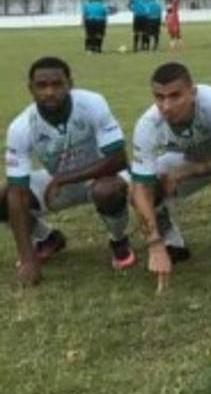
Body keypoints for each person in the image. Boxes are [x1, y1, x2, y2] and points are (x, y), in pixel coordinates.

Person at [130, 62, 211, 291]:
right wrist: (154, 245)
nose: (166, 105)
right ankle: (172, 244)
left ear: (192, 92)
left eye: (175, 96)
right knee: (140, 189)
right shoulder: (148, 124)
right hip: (193, 155)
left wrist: (181, 173)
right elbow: (141, 188)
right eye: (159, 97)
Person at [3, 57, 134, 286]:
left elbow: (118, 159)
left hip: (103, 175)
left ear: (69, 84)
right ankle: (48, 239)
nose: (50, 92)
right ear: (30, 89)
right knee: (4, 196)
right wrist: (27, 259)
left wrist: (64, 179)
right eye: (41, 86)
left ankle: (119, 240)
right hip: (58, 181)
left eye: (57, 84)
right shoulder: (21, 126)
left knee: (107, 191)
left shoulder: (92, 103)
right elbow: (18, 191)